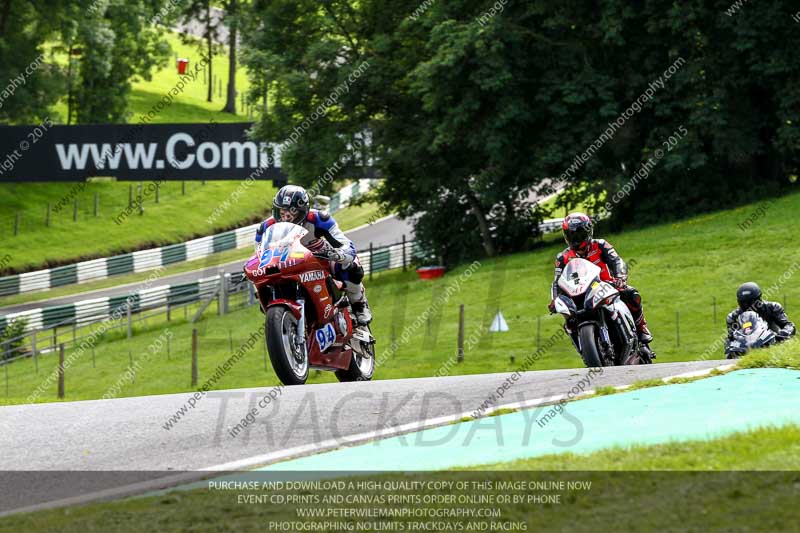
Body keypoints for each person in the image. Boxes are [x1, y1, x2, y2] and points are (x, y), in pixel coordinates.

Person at [255, 185, 372, 325]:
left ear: (303, 210)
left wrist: (339, 254)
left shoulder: (319, 219)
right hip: (286, 264)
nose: (286, 216)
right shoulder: (265, 228)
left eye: (292, 212)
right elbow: (258, 255)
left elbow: (344, 242)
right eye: (282, 211)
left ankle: (359, 304)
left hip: (319, 258)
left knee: (350, 268)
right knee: (262, 283)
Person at [548, 212, 654, 346]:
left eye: (579, 234)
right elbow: (557, 282)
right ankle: (583, 348)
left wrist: (620, 278)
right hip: (579, 294)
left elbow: (617, 261)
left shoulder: (600, 245)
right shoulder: (562, 258)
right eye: (571, 234)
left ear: (588, 232)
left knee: (632, 294)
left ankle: (641, 328)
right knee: (569, 320)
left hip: (606, 286)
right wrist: (555, 300)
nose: (575, 238)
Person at [725, 282, 795, 346]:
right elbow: (731, 337)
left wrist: (782, 334)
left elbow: (788, 325)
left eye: (750, 302)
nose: (747, 306)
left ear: (759, 299)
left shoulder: (773, 307)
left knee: (789, 343)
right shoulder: (733, 317)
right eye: (744, 303)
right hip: (746, 346)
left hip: (773, 342)